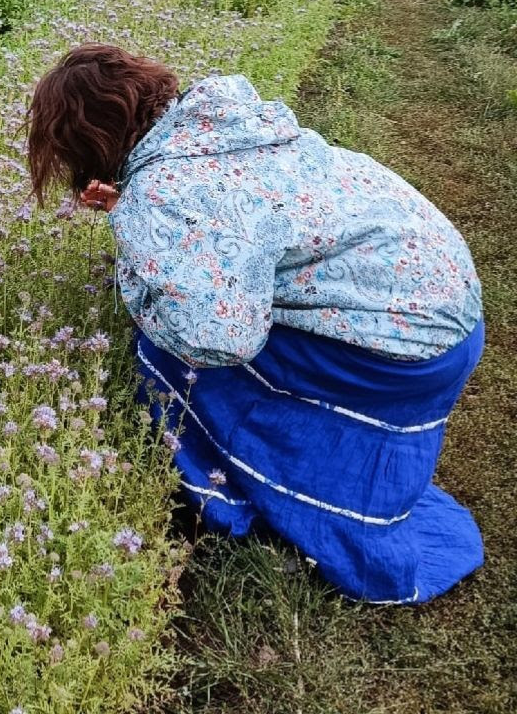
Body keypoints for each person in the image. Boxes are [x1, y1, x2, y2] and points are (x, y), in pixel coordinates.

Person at [26, 44, 484, 604]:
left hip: (404, 354)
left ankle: (234, 489)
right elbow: (233, 216)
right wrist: (136, 212)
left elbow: (220, 339)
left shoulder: (162, 190)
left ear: (85, 143)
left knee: (168, 346)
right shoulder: (222, 123)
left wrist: (137, 270)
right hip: (453, 315)